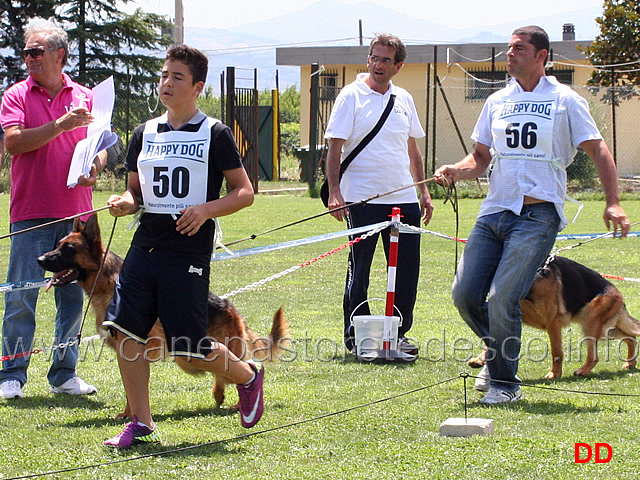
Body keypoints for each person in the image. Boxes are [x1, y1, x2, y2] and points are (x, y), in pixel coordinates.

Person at [434, 26, 630, 404]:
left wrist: (613, 201)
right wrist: (457, 170)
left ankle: (505, 385)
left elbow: (598, 150)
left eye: (518, 49)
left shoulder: (565, 100)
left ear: (541, 56)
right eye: (509, 48)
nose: (510, 54)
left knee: (503, 295)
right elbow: (481, 158)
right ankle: (497, 355)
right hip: (494, 212)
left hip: (537, 216)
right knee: (465, 294)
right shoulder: (497, 101)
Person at [103, 44, 262, 449]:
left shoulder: (215, 133)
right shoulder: (145, 132)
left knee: (189, 345)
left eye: (176, 77)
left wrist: (207, 209)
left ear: (197, 87)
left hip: (187, 252)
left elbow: (244, 192)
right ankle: (141, 422)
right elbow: (135, 193)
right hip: (145, 247)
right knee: (126, 334)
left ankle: (248, 376)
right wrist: (125, 202)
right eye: (163, 75)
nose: (166, 83)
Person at [0, 21, 106, 399]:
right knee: (21, 295)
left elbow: (100, 144)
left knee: (73, 298)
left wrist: (97, 165)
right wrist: (60, 125)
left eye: (35, 52)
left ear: (58, 55)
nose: (28, 58)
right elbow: (13, 143)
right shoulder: (15, 95)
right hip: (30, 212)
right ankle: (11, 374)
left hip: (77, 216)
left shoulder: (87, 97)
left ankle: (64, 373)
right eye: (25, 52)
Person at [324, 33, 434, 356]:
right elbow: (334, 146)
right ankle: (356, 336)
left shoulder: (404, 100)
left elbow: (413, 150)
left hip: (404, 201)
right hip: (361, 201)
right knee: (359, 271)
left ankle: (397, 334)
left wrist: (423, 191)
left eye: (386, 59)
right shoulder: (350, 96)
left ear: (398, 66)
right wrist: (334, 191)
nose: (378, 64)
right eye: (374, 57)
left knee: (406, 272)